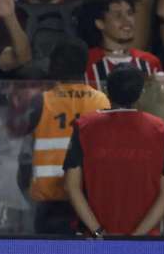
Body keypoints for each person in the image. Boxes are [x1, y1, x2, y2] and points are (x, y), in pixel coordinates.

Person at [63, 65, 164, 236]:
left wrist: (98, 232)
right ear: (141, 92)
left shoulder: (85, 126)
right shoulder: (159, 129)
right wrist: (137, 237)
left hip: (94, 241)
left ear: (106, 90)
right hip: (144, 242)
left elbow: (71, 186)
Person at [23, 38, 111, 234]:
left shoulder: (42, 101)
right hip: (86, 196)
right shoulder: (101, 100)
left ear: (54, 66)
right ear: (84, 65)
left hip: (48, 197)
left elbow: (23, 146)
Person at [78, 0, 163, 87]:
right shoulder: (85, 64)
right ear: (100, 23)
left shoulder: (151, 63)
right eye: (118, 15)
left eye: (130, 13)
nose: (127, 20)